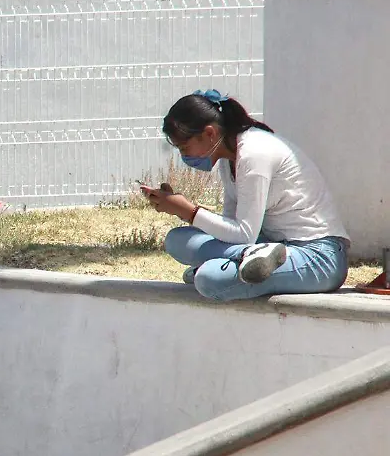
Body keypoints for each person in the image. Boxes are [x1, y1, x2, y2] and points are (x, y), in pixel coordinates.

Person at [145, 89, 349, 301]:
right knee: (176, 240)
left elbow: (244, 235)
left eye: (185, 147)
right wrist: (179, 210)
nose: (183, 155)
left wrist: (190, 211)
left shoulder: (254, 153)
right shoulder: (228, 158)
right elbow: (230, 228)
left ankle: (238, 261)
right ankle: (249, 257)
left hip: (318, 257)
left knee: (209, 279)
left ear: (209, 133)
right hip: (268, 246)